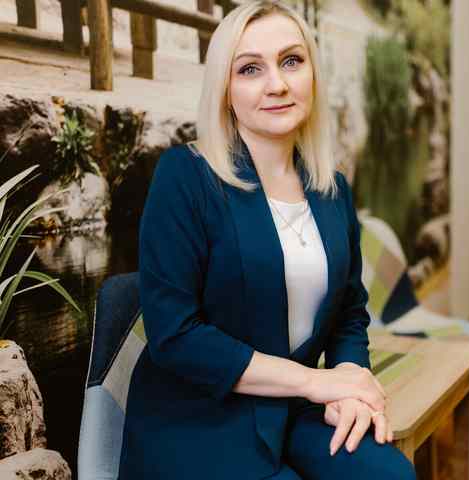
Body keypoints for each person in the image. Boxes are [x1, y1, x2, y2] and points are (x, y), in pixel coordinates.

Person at [118, 1, 417, 479]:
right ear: (225, 89)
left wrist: (348, 381)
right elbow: (175, 336)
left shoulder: (332, 189)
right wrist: (314, 381)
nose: (276, 84)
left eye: (291, 61)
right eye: (250, 69)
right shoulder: (185, 177)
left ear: (312, 75)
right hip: (200, 419)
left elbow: (349, 312)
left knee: (391, 475)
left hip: (294, 408)